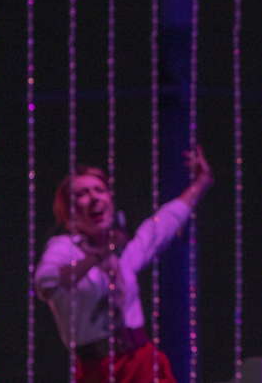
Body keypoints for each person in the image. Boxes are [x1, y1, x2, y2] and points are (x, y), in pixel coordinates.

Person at [35, 147, 213, 382]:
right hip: (96, 369)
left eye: (100, 190)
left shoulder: (120, 249)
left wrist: (200, 184)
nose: (94, 197)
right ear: (69, 213)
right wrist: (96, 256)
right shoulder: (64, 247)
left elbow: (160, 227)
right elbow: (45, 282)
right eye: (82, 193)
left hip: (140, 362)